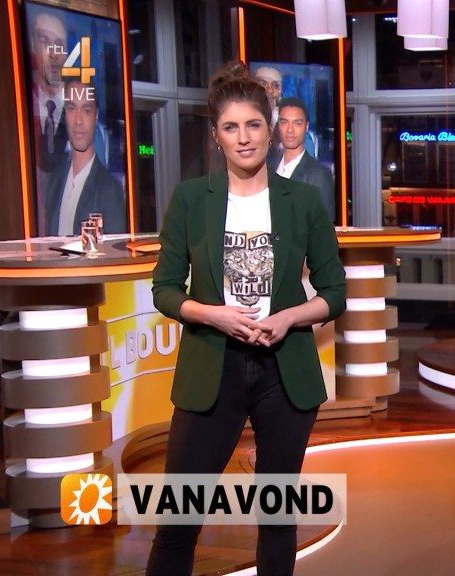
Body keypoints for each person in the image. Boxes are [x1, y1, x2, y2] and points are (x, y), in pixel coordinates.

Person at [147, 61, 346, 575]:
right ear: (216, 136)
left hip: (284, 372)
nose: (244, 137)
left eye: (253, 125)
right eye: (231, 127)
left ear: (271, 128)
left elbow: (334, 293)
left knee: (277, 520)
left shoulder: (303, 201)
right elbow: (165, 289)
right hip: (213, 368)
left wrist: (289, 318)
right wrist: (212, 315)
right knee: (178, 518)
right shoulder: (191, 199)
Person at [42, 78, 126, 236]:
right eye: (71, 108)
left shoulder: (110, 191)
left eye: (86, 110)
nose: (78, 121)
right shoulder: (53, 182)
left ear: (96, 116)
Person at [272, 97, 336, 221]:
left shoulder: (320, 174)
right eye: (284, 122)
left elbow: (325, 225)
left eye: (297, 123)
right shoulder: (267, 167)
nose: (290, 130)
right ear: (278, 125)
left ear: (306, 127)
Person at [29, 9, 69, 176]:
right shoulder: (18, 105)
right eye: (45, 42)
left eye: (59, 45)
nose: (54, 54)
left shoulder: (83, 107)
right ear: (32, 45)